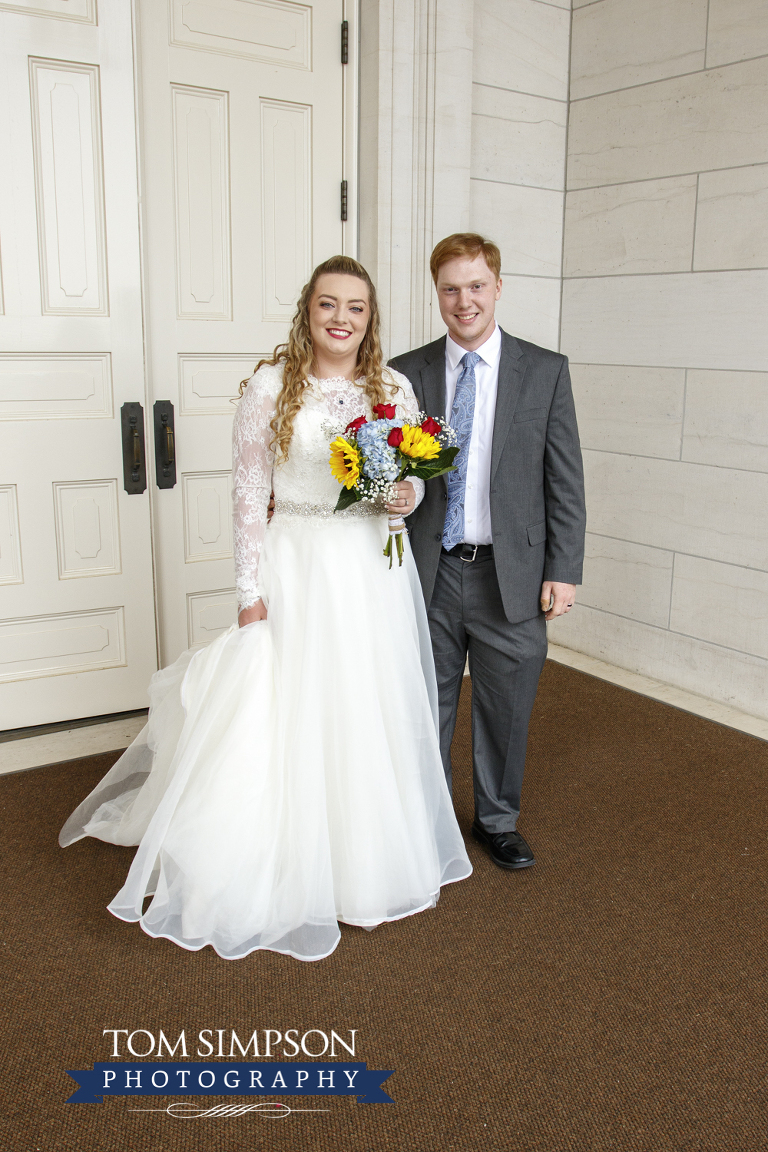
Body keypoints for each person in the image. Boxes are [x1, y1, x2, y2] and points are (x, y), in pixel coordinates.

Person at [59, 255, 471, 962]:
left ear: (371, 320)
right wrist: (249, 596)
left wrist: (409, 497)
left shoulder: (393, 387)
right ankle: (291, 866)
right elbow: (249, 496)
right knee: (294, 708)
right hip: (299, 563)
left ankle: (363, 870)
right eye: (328, 305)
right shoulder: (271, 386)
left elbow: (410, 483)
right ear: (308, 311)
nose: (341, 319)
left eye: (356, 308)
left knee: (364, 709)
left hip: (372, 568)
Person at [389, 234, 586, 872]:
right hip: (431, 569)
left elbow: (565, 478)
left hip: (514, 574)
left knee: (506, 702)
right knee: (426, 700)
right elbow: (384, 470)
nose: (463, 300)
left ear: (497, 286)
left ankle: (497, 820)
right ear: (436, 293)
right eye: (450, 288)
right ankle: (428, 821)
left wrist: (563, 568)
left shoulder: (545, 370)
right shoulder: (406, 373)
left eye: (476, 286)